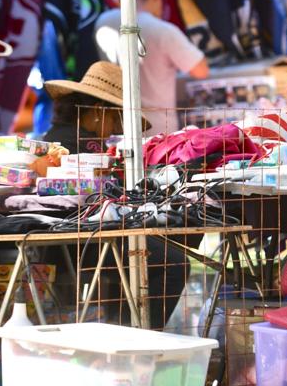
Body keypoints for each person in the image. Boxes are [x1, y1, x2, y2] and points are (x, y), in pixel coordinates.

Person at [43, 61, 193, 329]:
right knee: (173, 263)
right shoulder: (79, 144)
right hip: (77, 239)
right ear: (100, 111)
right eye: (115, 118)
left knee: (154, 253)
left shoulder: (62, 136)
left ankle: (127, 334)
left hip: (72, 235)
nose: (115, 129)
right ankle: (143, 343)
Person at [95, 0, 210, 136]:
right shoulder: (163, 31)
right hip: (157, 133)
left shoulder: (103, 22)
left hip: (116, 129)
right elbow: (201, 70)